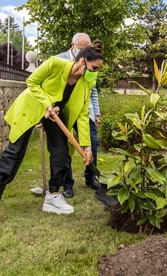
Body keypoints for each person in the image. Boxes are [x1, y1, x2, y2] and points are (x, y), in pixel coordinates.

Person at [0, 47, 103, 228]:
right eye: (94, 69)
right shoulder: (55, 63)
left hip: (55, 115)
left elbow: (83, 113)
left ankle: (52, 196)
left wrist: (86, 145)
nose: (96, 74)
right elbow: (32, 81)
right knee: (15, 152)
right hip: (32, 107)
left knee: (61, 153)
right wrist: (47, 103)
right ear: (83, 62)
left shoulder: (86, 83)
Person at [56, 33, 102, 198]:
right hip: (64, 112)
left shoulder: (92, 62)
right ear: (73, 45)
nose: (85, 52)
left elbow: (93, 90)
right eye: (82, 48)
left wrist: (96, 112)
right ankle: (68, 184)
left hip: (84, 111)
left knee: (92, 144)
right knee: (64, 149)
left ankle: (91, 177)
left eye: (87, 48)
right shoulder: (59, 60)